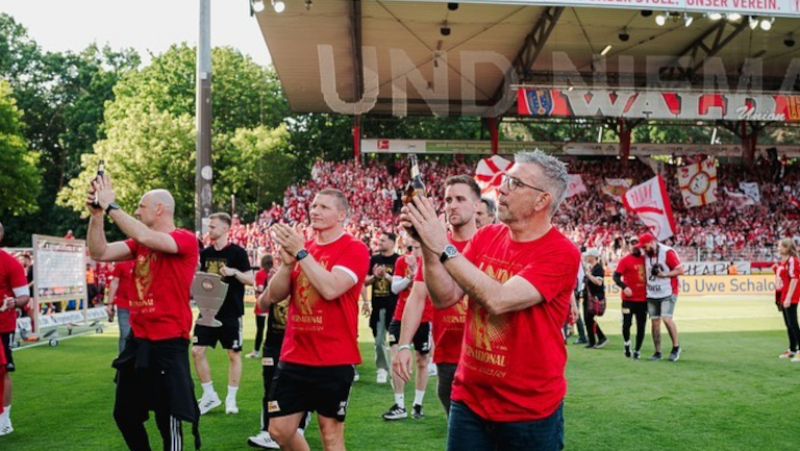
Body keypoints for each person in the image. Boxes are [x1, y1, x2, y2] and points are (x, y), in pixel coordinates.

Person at [401, 150, 580, 451]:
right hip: (469, 400)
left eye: (514, 182)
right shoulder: (487, 237)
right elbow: (445, 297)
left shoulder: (561, 253)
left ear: (541, 200)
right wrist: (428, 246)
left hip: (529, 412)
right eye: (504, 179)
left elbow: (498, 299)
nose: (501, 188)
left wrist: (441, 245)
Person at [86, 175, 200, 450]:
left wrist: (112, 205)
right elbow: (99, 251)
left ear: (160, 209)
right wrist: (98, 215)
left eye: (142, 205)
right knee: (124, 414)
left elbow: (146, 235)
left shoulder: (184, 239)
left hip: (168, 342)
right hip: (138, 342)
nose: (137, 210)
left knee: (168, 419)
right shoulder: (139, 245)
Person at [263, 189, 369, 451]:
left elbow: (331, 288)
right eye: (313, 206)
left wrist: (300, 254)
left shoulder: (354, 248)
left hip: (334, 357)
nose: (315, 211)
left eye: (324, 207)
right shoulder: (304, 249)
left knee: (330, 435)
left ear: (341, 215)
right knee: (278, 430)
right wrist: (287, 265)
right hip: (295, 354)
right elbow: (272, 297)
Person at [394, 175, 480, 418]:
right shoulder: (433, 248)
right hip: (448, 355)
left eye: (460, 199)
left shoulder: (490, 241)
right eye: (448, 199)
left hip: (485, 354)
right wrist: (402, 345)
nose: (452, 205)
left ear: (476, 205)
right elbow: (417, 297)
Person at [193, 212, 254, 415]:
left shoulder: (238, 252)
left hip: (230, 312)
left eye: (213, 227)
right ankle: (209, 395)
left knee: (233, 354)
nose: (209, 230)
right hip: (207, 310)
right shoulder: (205, 253)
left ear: (225, 229)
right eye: (209, 226)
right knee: (197, 351)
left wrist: (234, 272)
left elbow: (251, 279)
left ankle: (231, 399)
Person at [248, 258, 310, 449]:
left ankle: (297, 429)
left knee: (299, 388)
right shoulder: (278, 276)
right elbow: (263, 304)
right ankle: (267, 430)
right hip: (273, 343)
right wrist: (272, 282)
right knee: (270, 387)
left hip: (297, 343)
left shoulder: (304, 277)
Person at [382, 239, 431, 420]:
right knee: (396, 358)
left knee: (422, 361)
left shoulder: (432, 262)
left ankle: (417, 404)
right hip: (400, 316)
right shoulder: (402, 261)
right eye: (414, 247)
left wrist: (418, 271)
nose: (416, 251)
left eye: (420, 247)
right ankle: (399, 404)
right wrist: (409, 277)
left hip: (425, 317)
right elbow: (395, 288)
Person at [0, 222, 30, 436]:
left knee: (2, 372)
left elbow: (24, 296)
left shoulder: (10, 263)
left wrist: (13, 302)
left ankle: (4, 419)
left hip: (2, 325)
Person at [638, 232, 685, 362]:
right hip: (652, 293)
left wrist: (664, 274)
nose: (644, 249)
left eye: (645, 246)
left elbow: (680, 270)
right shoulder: (645, 255)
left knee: (666, 318)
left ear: (652, 242)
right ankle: (657, 351)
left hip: (668, 291)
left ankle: (676, 347)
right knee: (655, 322)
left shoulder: (667, 252)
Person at [362, 232, 400, 384]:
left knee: (395, 341)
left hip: (394, 306)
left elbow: (400, 283)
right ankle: (382, 369)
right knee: (378, 340)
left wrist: (386, 275)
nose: (379, 242)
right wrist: (375, 276)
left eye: (383, 240)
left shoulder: (398, 260)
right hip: (378, 305)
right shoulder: (375, 259)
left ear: (392, 243)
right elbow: (365, 282)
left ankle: (395, 370)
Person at [613, 236, 647, 359]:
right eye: (633, 244)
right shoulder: (625, 260)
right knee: (627, 324)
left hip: (643, 300)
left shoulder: (646, 259)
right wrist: (624, 287)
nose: (635, 246)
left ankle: (637, 350)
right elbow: (616, 276)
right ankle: (627, 343)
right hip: (628, 300)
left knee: (641, 325)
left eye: (637, 243)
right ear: (629, 246)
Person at [776, 238, 800, 361]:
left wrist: (789, 297)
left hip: (791, 296)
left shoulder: (792, 260)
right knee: (789, 324)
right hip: (784, 295)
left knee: (793, 324)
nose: (778, 248)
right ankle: (792, 349)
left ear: (787, 248)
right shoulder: (784, 261)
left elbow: (795, 279)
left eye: (780, 246)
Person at [246, 255, 275, 360]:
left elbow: (259, 288)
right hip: (272, 304)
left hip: (262, 303)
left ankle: (256, 351)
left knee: (260, 329)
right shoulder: (274, 273)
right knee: (272, 330)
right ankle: (270, 351)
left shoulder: (259, 274)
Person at [107, 259, 136, 355]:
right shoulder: (122, 264)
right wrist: (109, 303)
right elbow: (115, 282)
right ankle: (124, 363)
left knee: (143, 336)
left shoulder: (146, 262)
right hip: (124, 304)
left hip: (142, 306)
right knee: (125, 334)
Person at [582, 248, 607, 349]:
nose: (586, 257)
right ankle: (592, 340)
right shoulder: (592, 268)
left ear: (592, 257)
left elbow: (599, 282)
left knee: (589, 319)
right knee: (587, 319)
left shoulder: (598, 268)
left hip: (594, 297)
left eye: (588, 256)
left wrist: (589, 275)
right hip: (588, 296)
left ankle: (600, 338)